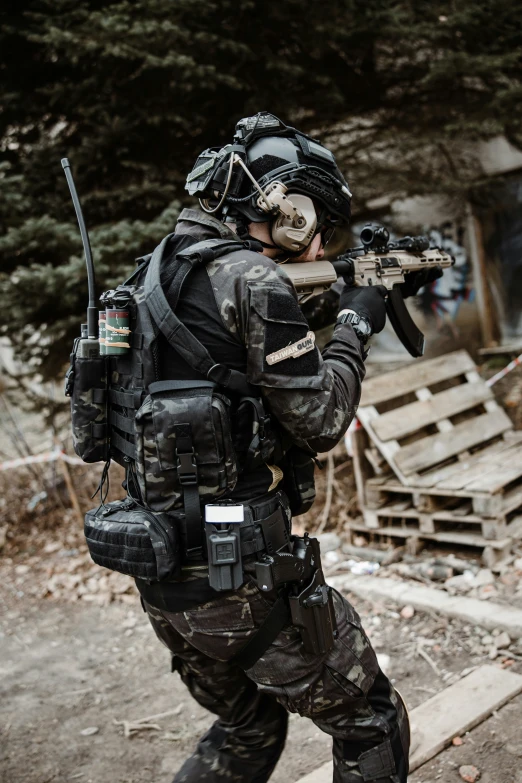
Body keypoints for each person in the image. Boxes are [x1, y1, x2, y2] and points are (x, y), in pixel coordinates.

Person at [133, 113, 412, 782]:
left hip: (160, 573)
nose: (319, 241)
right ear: (290, 212)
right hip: (242, 582)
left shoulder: (156, 274)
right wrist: (356, 320)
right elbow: (320, 419)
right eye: (319, 223)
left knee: (249, 728)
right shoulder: (253, 282)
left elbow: (231, 357)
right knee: (372, 720)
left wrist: (349, 292)